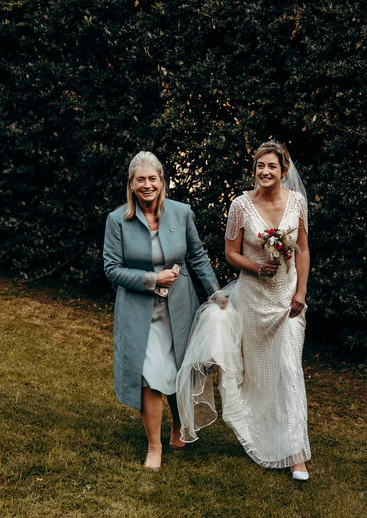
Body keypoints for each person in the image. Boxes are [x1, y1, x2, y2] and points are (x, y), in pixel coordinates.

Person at [177, 140, 312, 481]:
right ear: (255, 170)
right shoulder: (240, 205)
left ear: (284, 171)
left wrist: (301, 291)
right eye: (260, 167)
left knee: (288, 367)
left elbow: (304, 250)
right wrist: (254, 266)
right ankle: (261, 431)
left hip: (287, 300)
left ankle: (296, 455)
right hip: (254, 299)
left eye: (272, 167)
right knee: (260, 373)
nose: (265, 172)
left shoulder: (297, 203)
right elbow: (230, 253)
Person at [103, 151, 223, 471]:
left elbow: (197, 256)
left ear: (162, 182)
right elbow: (112, 269)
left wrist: (215, 293)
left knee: (177, 372)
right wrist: (153, 278)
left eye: (152, 178)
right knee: (150, 377)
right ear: (131, 185)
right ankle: (154, 447)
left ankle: (176, 429)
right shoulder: (117, 221)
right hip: (139, 312)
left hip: (179, 308)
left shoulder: (182, 213)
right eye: (140, 179)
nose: (147, 185)